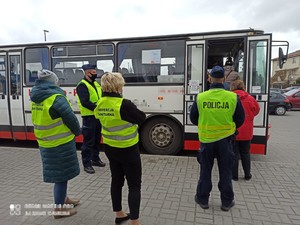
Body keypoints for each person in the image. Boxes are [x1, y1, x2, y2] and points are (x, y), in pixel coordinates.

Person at [190, 65, 245, 211]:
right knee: (226, 172)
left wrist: (206, 124)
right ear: (224, 79)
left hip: (207, 141)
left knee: (205, 171)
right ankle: (226, 202)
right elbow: (240, 119)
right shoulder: (233, 97)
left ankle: (203, 200)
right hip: (226, 141)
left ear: (209, 79)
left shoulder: (201, 97)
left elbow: (193, 118)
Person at [94, 72, 145, 225]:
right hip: (128, 149)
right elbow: (141, 118)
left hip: (110, 148)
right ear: (118, 86)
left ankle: (119, 214)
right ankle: (135, 221)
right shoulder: (124, 104)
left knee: (116, 181)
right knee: (134, 185)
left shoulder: (100, 103)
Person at [30, 69, 81, 219]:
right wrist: (78, 132)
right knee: (61, 176)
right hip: (60, 143)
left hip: (45, 141)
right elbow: (70, 118)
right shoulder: (56, 97)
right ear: (53, 81)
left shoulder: (36, 96)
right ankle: (59, 209)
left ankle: (64, 199)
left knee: (61, 173)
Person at [76, 64, 106, 174]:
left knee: (97, 139)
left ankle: (95, 159)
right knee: (88, 142)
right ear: (87, 73)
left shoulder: (96, 84)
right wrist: (98, 108)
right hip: (89, 117)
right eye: (93, 72)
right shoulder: (82, 85)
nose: (95, 74)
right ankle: (86, 163)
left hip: (97, 116)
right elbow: (85, 102)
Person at [230, 80, 260, 181]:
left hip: (233, 130)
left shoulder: (230, 98)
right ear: (243, 87)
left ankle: (234, 176)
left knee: (234, 153)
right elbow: (256, 111)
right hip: (247, 132)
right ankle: (247, 175)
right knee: (245, 153)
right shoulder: (250, 99)